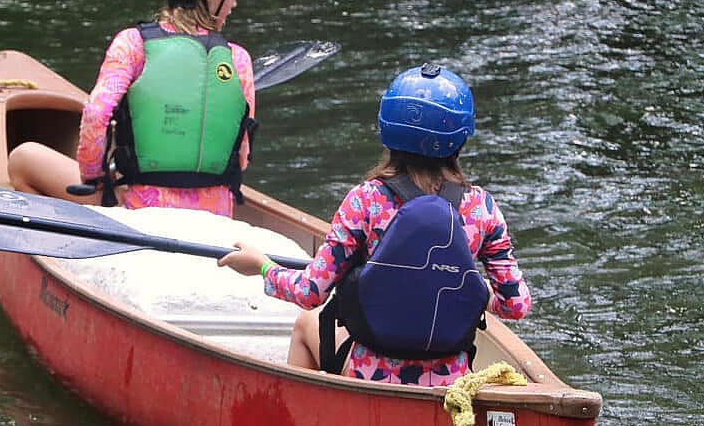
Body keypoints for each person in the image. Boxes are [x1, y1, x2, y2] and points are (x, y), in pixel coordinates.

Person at [218, 64, 532, 387]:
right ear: (460, 139)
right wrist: (471, 293)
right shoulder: (482, 208)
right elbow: (516, 304)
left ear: (387, 131)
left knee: (304, 323)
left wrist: (261, 266)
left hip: (371, 378)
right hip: (450, 386)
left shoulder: (364, 201)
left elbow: (310, 292)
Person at [7, 0, 257, 216]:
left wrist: (95, 177)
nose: (234, 4)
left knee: (21, 159)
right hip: (215, 216)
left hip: (139, 212)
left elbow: (97, 113)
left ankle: (57, 245)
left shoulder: (132, 44)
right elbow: (242, 157)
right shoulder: (238, 59)